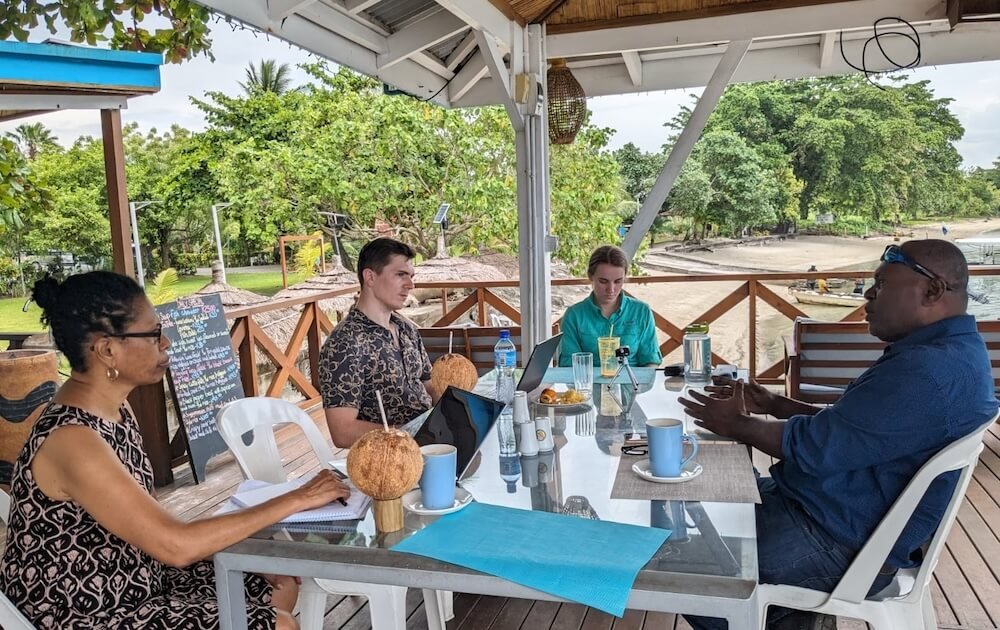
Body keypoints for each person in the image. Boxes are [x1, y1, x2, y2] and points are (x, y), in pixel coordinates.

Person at [0, 271, 350, 630]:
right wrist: (297, 497)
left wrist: (248, 543)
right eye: (153, 335)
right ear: (107, 350)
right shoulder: (72, 439)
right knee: (277, 624)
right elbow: (175, 545)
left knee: (277, 580)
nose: (165, 343)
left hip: (138, 578)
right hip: (84, 612)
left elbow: (158, 528)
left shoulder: (116, 409)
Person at [679, 240, 997, 630]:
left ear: (932, 291)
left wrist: (737, 425)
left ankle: (784, 614)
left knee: (687, 569)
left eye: (881, 283)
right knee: (706, 504)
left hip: (838, 538)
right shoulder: (948, 352)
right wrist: (776, 405)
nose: (869, 293)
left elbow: (817, 449)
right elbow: (855, 429)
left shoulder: (928, 373)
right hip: (833, 511)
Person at [319, 237, 435, 448]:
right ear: (370, 277)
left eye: (411, 276)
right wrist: (405, 435)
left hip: (429, 443)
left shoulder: (406, 329)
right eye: (400, 275)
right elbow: (342, 431)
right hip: (385, 460)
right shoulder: (345, 344)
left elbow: (430, 386)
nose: (411, 284)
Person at [558, 245, 661, 368]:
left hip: (633, 383)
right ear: (591, 276)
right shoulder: (574, 315)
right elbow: (570, 365)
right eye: (603, 281)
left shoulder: (641, 311)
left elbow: (650, 360)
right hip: (588, 384)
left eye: (618, 281)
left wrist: (640, 386)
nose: (611, 290)